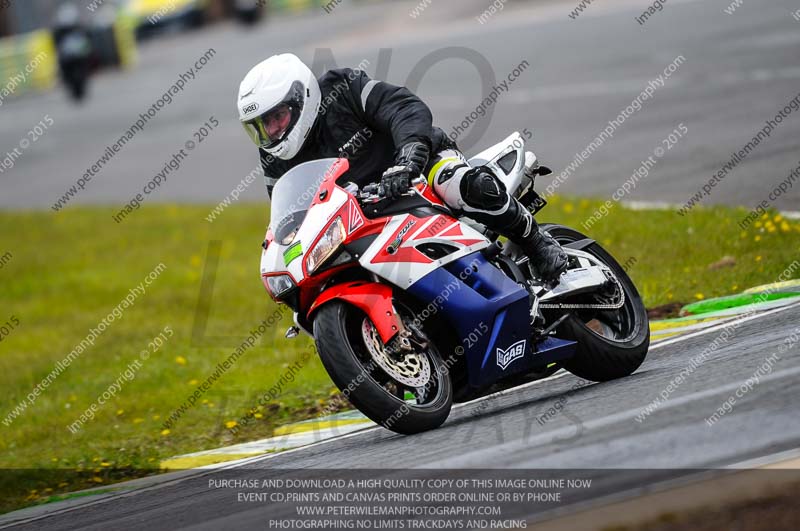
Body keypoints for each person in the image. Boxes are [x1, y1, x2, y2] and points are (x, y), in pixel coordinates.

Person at [237, 53, 567, 281]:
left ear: (302, 98)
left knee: (461, 183)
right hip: (361, 216)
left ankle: (536, 243)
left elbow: (403, 107)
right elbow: (291, 212)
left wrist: (409, 158)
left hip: (418, 170)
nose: (273, 132)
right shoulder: (274, 156)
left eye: (277, 118)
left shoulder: (344, 89)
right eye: (262, 126)